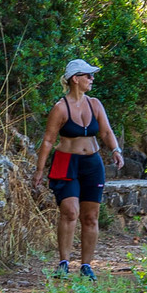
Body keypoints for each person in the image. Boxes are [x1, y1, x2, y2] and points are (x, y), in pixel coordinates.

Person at [32, 59, 124, 281]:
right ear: (76, 79)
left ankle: (86, 266)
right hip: (66, 162)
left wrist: (116, 150)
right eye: (88, 76)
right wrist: (39, 169)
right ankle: (64, 263)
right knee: (70, 211)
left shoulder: (95, 104)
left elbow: (106, 132)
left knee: (91, 216)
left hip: (92, 163)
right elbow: (48, 141)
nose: (92, 79)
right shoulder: (60, 108)